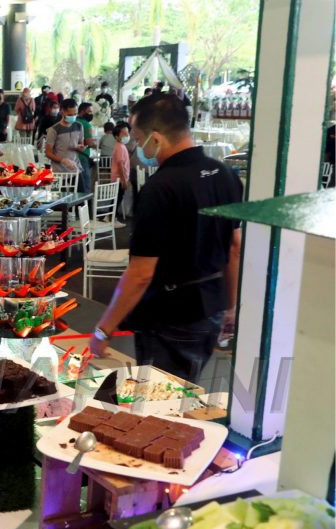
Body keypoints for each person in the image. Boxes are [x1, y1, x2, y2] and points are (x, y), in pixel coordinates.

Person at [89, 93, 243, 384]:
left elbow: (141, 274)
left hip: (172, 314)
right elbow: (234, 249)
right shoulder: (224, 174)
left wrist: (103, 330)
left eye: (137, 136)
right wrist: (230, 305)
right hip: (212, 304)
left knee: (162, 402)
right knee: (186, 389)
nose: (136, 145)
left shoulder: (160, 188)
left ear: (156, 138)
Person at [45, 98, 84, 180]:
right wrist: (63, 160)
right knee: (58, 193)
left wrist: (80, 148)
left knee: (81, 192)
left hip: (76, 169)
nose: (73, 117)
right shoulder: (54, 129)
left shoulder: (79, 126)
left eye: (75, 114)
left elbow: (81, 145)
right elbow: (48, 153)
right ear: (62, 112)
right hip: (59, 172)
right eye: (70, 115)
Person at [110, 123, 133, 219]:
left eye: (127, 133)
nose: (127, 135)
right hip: (119, 179)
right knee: (116, 199)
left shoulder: (122, 146)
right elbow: (120, 165)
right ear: (117, 136)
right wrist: (124, 180)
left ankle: (110, 217)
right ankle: (111, 218)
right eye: (124, 134)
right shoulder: (119, 147)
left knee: (117, 198)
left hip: (120, 179)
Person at [76, 101, 98, 192]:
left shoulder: (74, 121)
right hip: (82, 157)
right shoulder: (86, 124)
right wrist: (96, 144)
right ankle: (86, 205)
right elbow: (89, 143)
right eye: (89, 111)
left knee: (76, 185)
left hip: (72, 157)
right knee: (85, 185)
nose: (91, 114)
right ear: (82, 111)